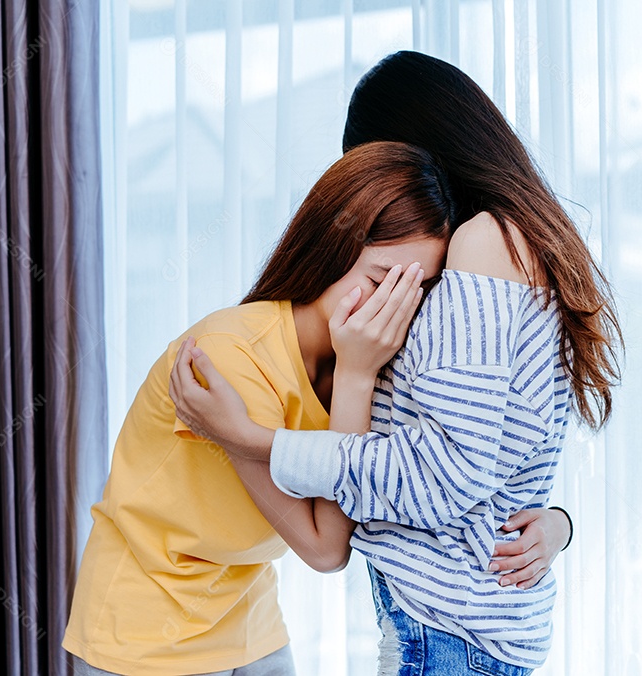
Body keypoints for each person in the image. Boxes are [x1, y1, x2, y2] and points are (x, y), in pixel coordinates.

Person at [168, 51, 620, 675]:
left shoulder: (484, 242)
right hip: (467, 632)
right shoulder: (523, 244)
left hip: (445, 635)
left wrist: (251, 440)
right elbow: (499, 450)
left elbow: (447, 474)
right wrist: (559, 523)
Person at [65, 142, 453, 675]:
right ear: (332, 249)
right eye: (380, 280)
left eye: (415, 291)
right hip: (147, 627)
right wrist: (356, 375)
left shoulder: (371, 364)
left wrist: (553, 524)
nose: (392, 308)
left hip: (249, 617)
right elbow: (325, 548)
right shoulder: (232, 355)